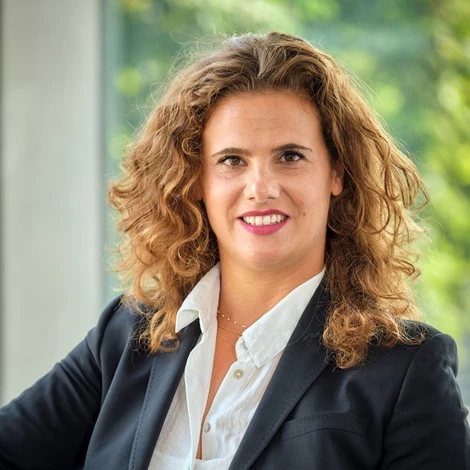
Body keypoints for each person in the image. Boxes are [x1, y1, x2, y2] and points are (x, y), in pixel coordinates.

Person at [0, 32, 468, 470]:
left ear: (337, 173)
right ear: (195, 179)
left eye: (290, 156)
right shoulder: (127, 335)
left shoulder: (407, 370)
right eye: (232, 160)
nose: (260, 188)